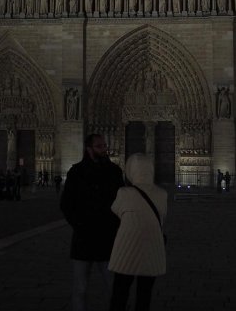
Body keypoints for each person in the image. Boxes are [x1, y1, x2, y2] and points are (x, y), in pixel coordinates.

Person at [60, 133, 124, 311]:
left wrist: (114, 225)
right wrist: (79, 225)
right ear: (89, 149)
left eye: (105, 145)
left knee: (113, 288)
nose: (105, 149)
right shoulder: (76, 172)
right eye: (100, 146)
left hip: (108, 238)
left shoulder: (115, 171)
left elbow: (122, 202)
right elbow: (66, 204)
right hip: (84, 238)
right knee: (80, 289)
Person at [109, 153, 167, 311]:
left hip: (126, 251)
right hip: (152, 251)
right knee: (144, 295)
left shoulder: (124, 193)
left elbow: (115, 211)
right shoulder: (162, 194)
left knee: (120, 293)